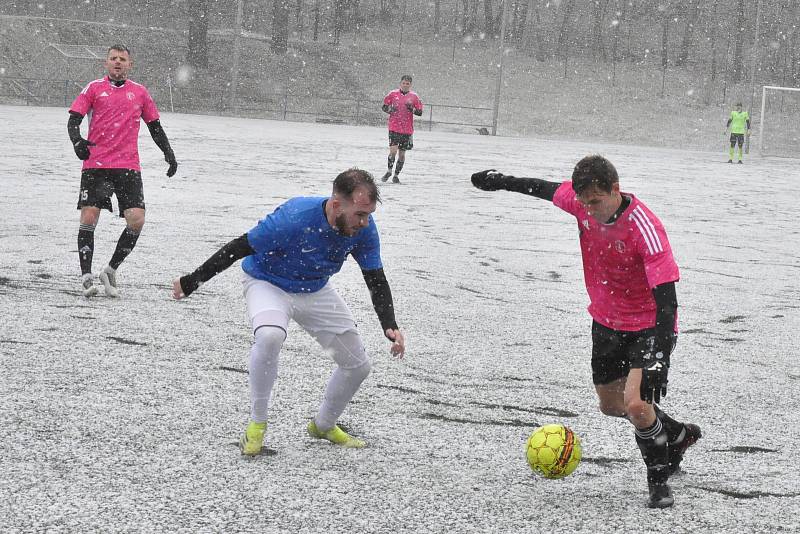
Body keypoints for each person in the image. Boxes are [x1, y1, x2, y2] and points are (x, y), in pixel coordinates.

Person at [471, 156, 701, 509]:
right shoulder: (582, 204)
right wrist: (502, 180)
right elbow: (545, 189)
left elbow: (667, 302)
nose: (588, 209)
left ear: (615, 189)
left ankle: (658, 481)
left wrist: (660, 356)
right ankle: (676, 433)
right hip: (606, 321)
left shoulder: (645, 227)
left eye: (595, 201)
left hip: (648, 326)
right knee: (612, 405)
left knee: (637, 403)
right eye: (583, 202)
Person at [172, 168, 405, 456]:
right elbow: (239, 247)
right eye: (359, 214)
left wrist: (389, 323)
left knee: (358, 366)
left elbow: (375, 277)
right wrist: (192, 281)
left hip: (314, 289)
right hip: (267, 282)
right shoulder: (294, 217)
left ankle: (323, 425)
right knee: (270, 336)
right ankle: (256, 426)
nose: (364, 222)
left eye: (368, 214)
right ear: (336, 204)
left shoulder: (364, 229)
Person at [68, 44, 178, 298]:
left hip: (128, 165)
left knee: (137, 220)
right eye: (113, 59)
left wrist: (169, 154)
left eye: (122, 59)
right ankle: (87, 276)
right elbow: (74, 118)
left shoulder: (139, 93)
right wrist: (77, 140)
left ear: (130, 64)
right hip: (96, 164)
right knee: (89, 217)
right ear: (106, 63)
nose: (118, 62)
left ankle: (110, 269)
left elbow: (155, 127)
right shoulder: (94, 88)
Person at [380, 75, 423, 184]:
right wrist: (391, 109)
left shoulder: (414, 97)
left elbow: (420, 112)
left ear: (410, 85)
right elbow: (384, 107)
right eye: (403, 83)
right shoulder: (392, 94)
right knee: (393, 151)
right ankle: (389, 170)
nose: (405, 85)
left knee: (402, 154)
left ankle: (396, 175)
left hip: (407, 130)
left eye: (407, 83)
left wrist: (412, 109)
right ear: (400, 83)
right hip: (394, 127)